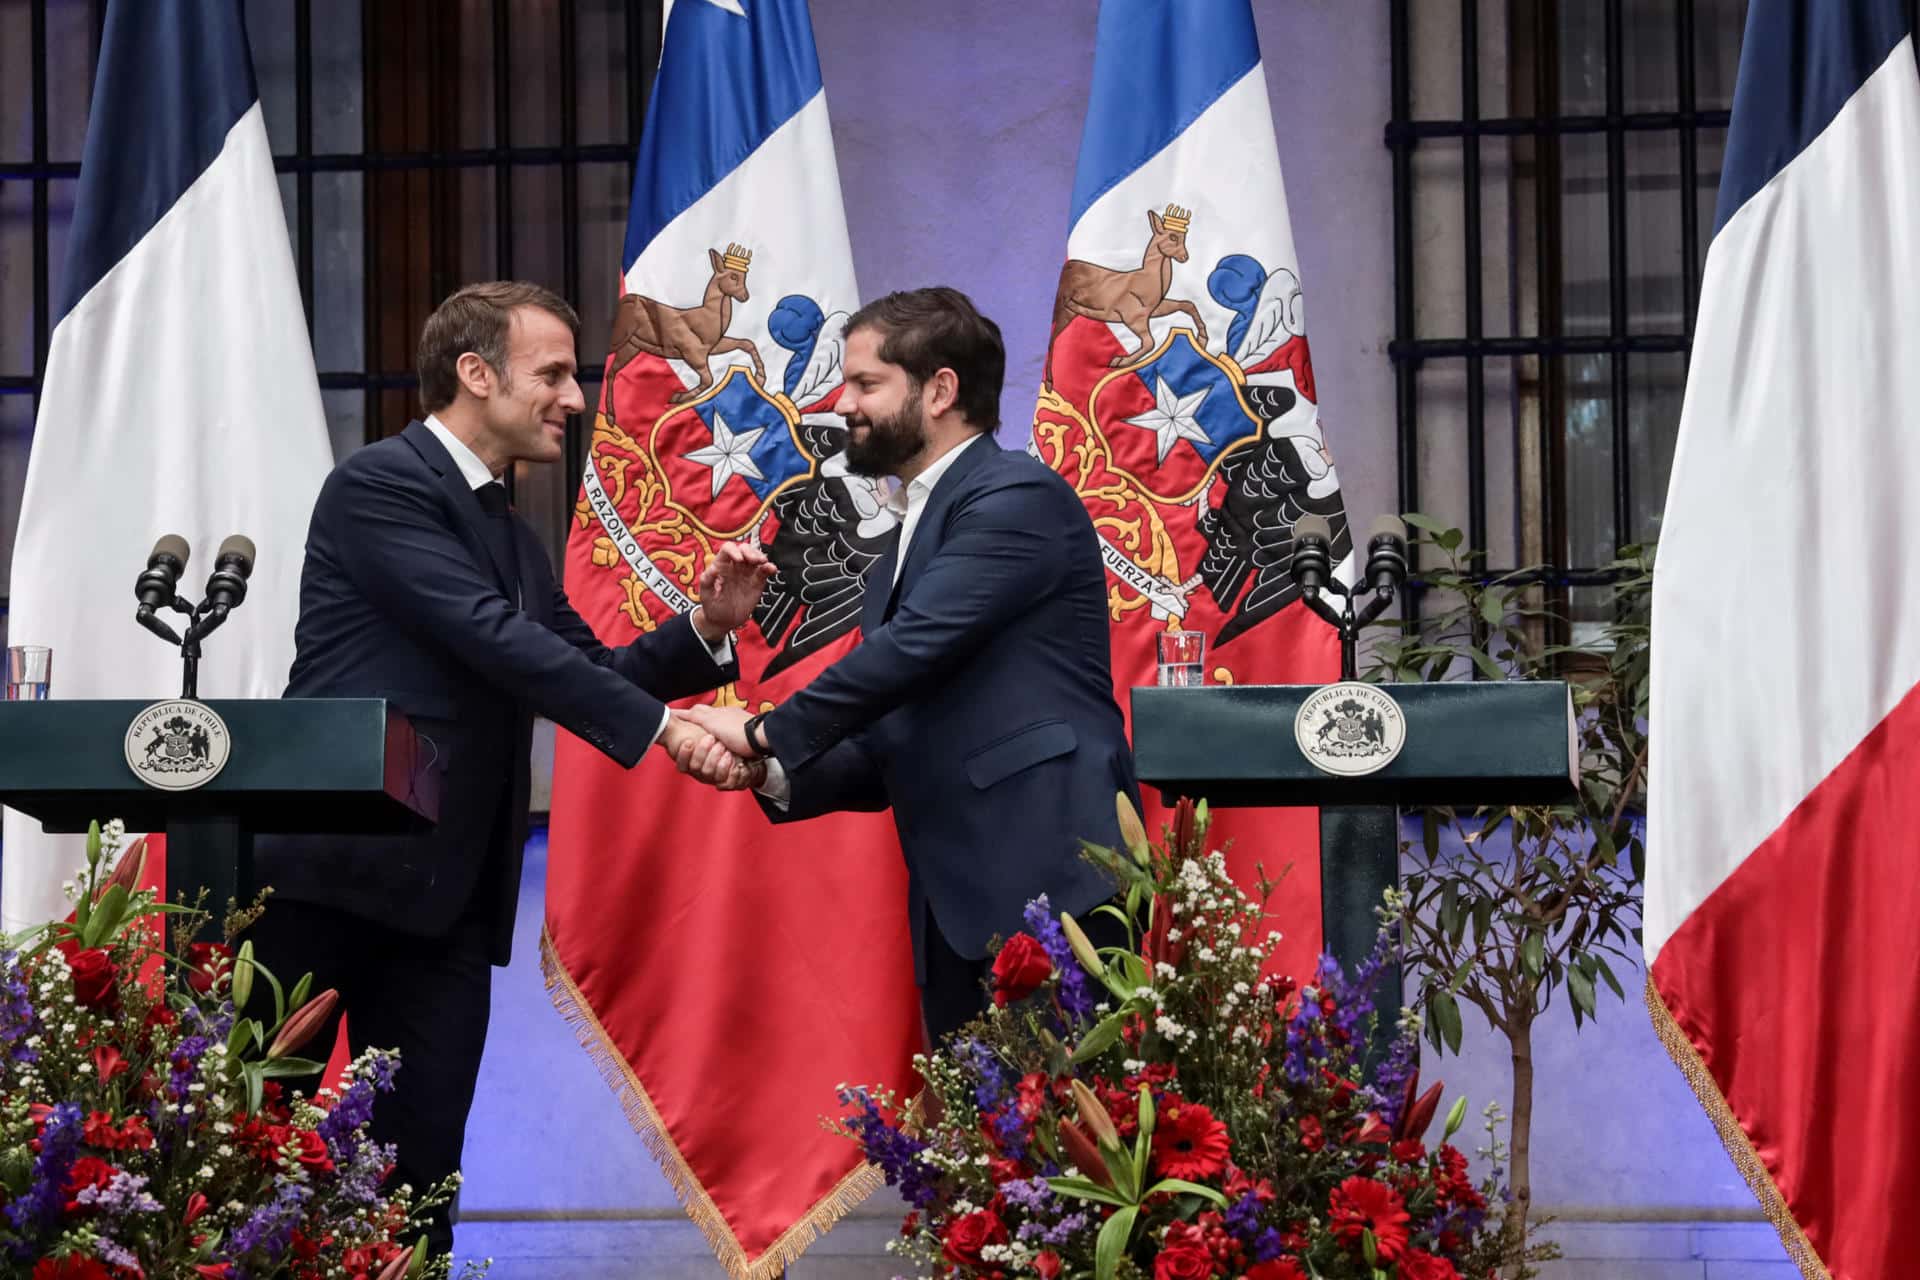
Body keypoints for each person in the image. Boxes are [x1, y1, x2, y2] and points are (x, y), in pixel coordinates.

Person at [247, 280, 769, 1250]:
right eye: (555, 373)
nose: (575, 399)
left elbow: (584, 667)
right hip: (326, 880)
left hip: (445, 902)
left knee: (422, 1181)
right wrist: (668, 731)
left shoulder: (510, 530)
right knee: (248, 1154)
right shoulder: (381, 484)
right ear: (474, 373)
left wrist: (706, 627)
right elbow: (492, 638)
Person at [680, 286, 1138, 1047]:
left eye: (865, 383)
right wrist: (767, 772)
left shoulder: (1016, 495)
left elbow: (907, 652)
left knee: (1077, 1154)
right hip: (958, 908)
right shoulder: (908, 534)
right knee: (985, 1160)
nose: (842, 403)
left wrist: (762, 733)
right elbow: (900, 726)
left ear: (940, 390)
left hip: (1055, 884)